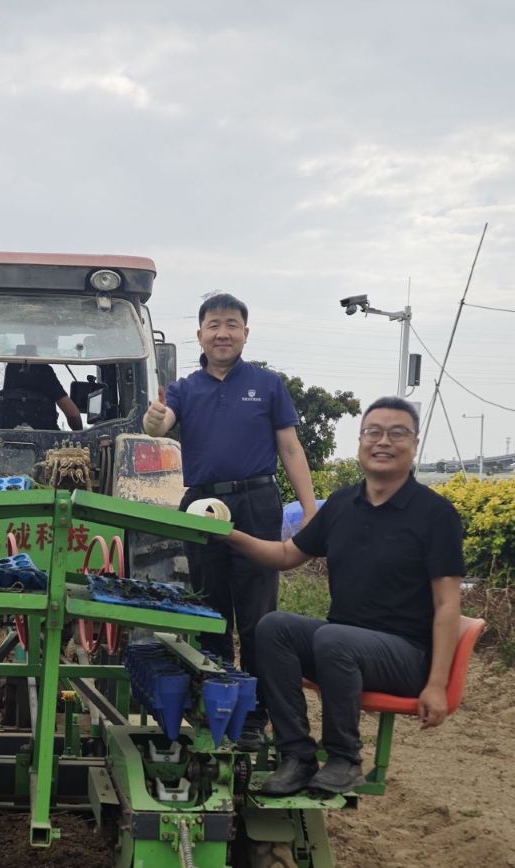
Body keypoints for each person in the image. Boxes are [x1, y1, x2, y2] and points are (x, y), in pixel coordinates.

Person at [221, 396, 465, 796]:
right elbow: (285, 555)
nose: (383, 441)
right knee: (273, 627)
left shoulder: (436, 515)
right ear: (361, 441)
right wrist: (228, 535)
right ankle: (296, 755)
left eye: (397, 433)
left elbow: (447, 605)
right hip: (340, 647)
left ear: (414, 443)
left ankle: (344, 758)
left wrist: (436, 684)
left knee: (334, 639)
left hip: (405, 656)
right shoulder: (341, 504)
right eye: (374, 432)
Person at [143, 292, 317, 748]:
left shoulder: (268, 384)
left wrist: (311, 511)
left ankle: (256, 714)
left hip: (257, 501)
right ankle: (218, 703)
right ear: (200, 334)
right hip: (202, 506)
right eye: (214, 325)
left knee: (259, 616)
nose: (223, 333)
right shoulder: (185, 388)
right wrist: (154, 418)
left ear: (245, 332)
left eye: (232, 324)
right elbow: (159, 424)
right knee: (211, 611)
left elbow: (291, 448)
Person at [0, 358, 83, 431]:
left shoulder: (11, 369)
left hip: (3, 442)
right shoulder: (45, 371)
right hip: (48, 443)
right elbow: (73, 415)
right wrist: (80, 435)